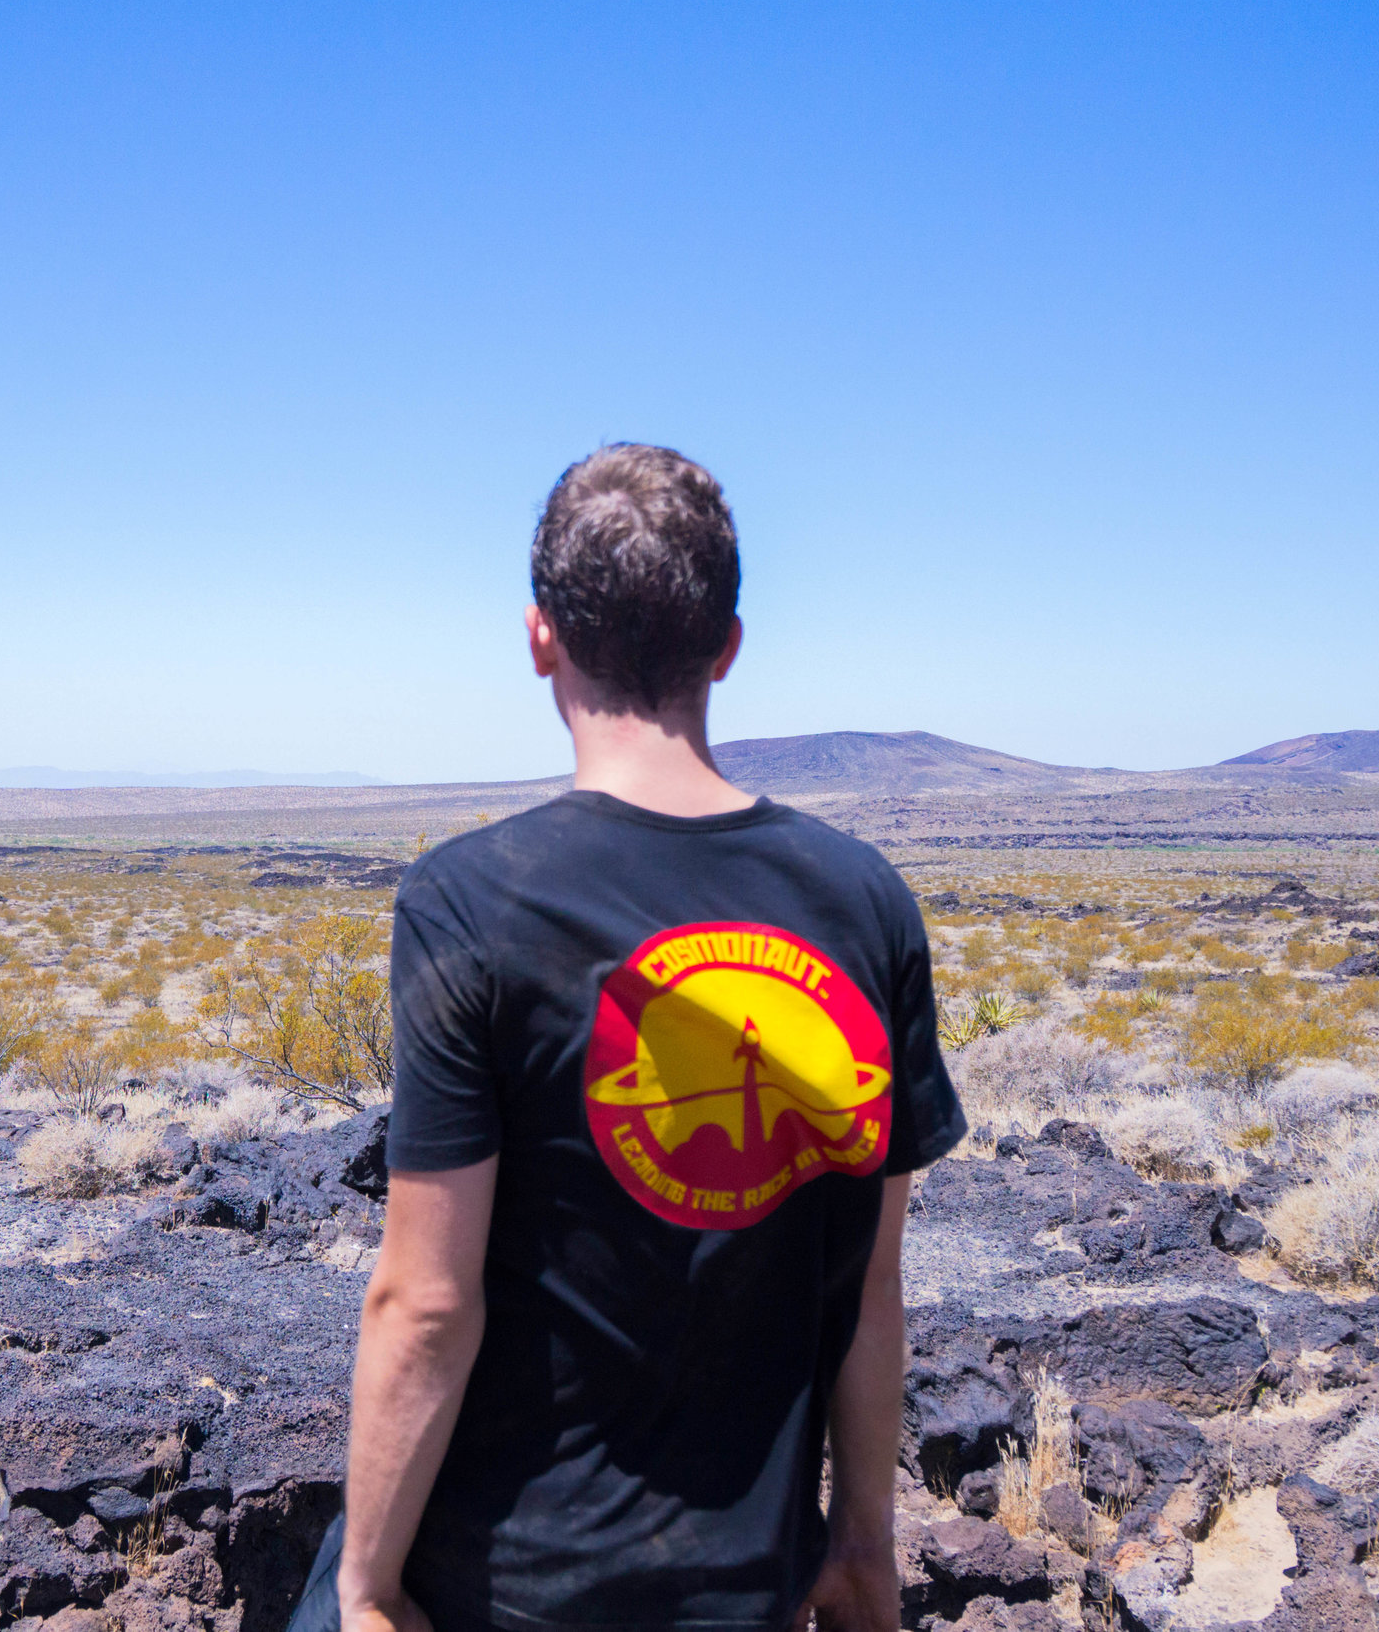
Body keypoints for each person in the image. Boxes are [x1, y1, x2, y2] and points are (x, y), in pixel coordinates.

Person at [288, 444, 965, 1632]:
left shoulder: (473, 901)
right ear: (729, 644)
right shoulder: (865, 903)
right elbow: (869, 1287)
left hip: (503, 1582)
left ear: (540, 635)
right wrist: (862, 1544)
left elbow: (426, 1303)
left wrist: (365, 1584)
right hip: (747, 1584)